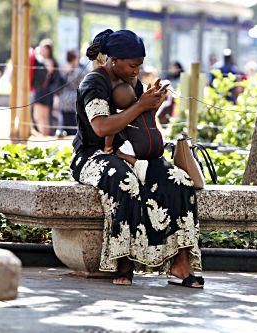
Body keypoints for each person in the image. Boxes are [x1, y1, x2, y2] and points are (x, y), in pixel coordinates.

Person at [71, 29, 204, 288]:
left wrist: (150, 108)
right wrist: (140, 106)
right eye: (132, 65)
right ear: (113, 60)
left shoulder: (134, 84)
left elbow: (138, 128)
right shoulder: (94, 83)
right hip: (90, 156)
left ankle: (180, 262)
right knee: (125, 181)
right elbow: (101, 127)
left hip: (125, 154)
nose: (136, 71)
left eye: (139, 66)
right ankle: (124, 261)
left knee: (177, 179)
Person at [32, 39, 62, 136]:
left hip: (44, 92)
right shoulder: (50, 61)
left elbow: (47, 78)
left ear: (48, 50)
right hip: (47, 93)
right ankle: (45, 136)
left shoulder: (45, 62)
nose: (41, 50)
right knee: (43, 117)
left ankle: (44, 136)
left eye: (43, 48)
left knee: (40, 116)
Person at [57, 50, 88, 136]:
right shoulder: (80, 71)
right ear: (74, 58)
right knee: (74, 123)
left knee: (66, 121)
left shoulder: (63, 69)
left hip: (64, 98)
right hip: (74, 98)